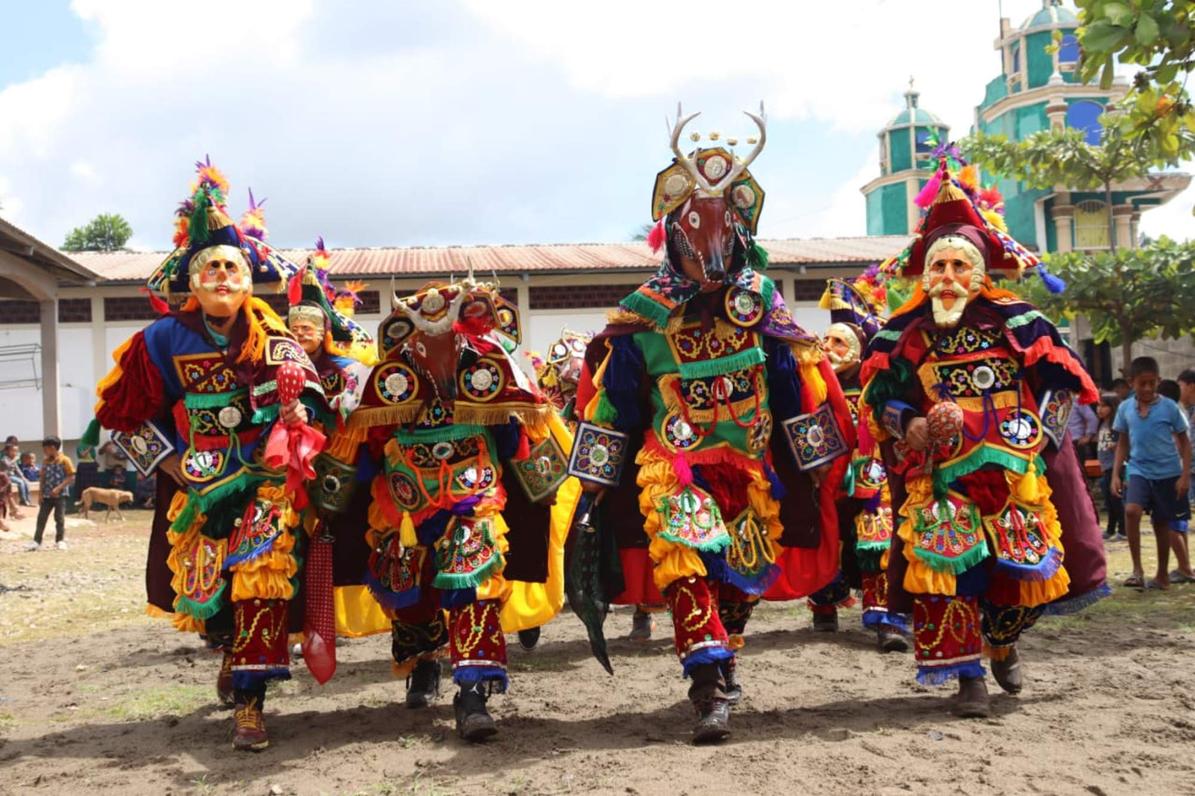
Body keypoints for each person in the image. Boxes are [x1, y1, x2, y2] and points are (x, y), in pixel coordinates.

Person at [574, 107, 853, 742]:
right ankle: (707, 686)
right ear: (673, 236)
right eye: (695, 230)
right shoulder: (644, 316)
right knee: (685, 564)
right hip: (672, 464)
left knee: (740, 577)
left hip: (749, 464)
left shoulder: (762, 307)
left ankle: (723, 658)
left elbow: (789, 390)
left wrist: (818, 468)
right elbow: (616, 402)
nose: (711, 247)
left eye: (722, 228)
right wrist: (591, 485)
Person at [89, 159, 327, 750]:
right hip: (197, 480)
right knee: (212, 588)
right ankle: (228, 652)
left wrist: (301, 414)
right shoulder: (162, 339)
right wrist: (164, 459)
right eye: (210, 266)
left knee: (261, 582)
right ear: (191, 281)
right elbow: (119, 412)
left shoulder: (271, 331)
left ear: (249, 279)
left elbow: (311, 392)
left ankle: (250, 702)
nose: (222, 274)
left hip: (264, 476)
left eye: (231, 266)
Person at [861, 158, 1107, 718]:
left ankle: (1004, 641)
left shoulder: (1020, 321)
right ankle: (966, 676)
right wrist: (911, 424)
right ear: (923, 273)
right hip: (942, 473)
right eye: (937, 265)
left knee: (1021, 568)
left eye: (958, 264)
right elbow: (880, 399)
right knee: (948, 570)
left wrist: (1039, 447)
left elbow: (1062, 386)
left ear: (978, 271)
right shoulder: (904, 333)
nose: (946, 275)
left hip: (1015, 469)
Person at [323, 275, 574, 741]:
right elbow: (371, 443)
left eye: (446, 331)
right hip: (405, 497)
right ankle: (423, 664)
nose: (434, 343)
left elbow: (512, 436)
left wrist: (522, 451)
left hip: (474, 491)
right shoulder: (391, 376)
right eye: (424, 334)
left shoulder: (489, 365)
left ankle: (473, 691)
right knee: (410, 589)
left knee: (474, 580)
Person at [808, 275, 909, 651]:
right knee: (824, 538)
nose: (828, 347)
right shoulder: (814, 388)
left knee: (875, 539)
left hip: (871, 476)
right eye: (826, 340)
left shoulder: (875, 387)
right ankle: (824, 608)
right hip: (825, 477)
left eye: (838, 342)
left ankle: (884, 617)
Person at [1111, 358, 1193, 588]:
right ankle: (1137, 570)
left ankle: (1162, 575)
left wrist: (1185, 475)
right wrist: (1116, 474)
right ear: (1131, 382)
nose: (1147, 388)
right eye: (1142, 383)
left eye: (1151, 383)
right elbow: (1123, 442)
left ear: (1158, 381)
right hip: (1138, 469)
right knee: (1131, 511)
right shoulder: (1125, 408)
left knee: (1162, 523)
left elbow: (1185, 443)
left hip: (1168, 473)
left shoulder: (1169, 407)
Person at [27, 436, 75, 551]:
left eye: (46, 448)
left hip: (60, 495)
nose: (44, 451)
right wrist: (40, 494)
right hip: (47, 495)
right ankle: (36, 541)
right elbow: (42, 478)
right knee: (41, 518)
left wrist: (59, 488)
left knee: (59, 518)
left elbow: (71, 477)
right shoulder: (45, 461)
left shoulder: (65, 460)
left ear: (53, 448)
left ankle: (60, 540)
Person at [1095, 393, 1125, 540]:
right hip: (1105, 466)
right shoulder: (1102, 424)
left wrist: (1116, 446)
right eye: (1098, 405)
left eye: (1103, 406)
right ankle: (1110, 529)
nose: (1099, 409)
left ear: (1112, 407)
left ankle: (1123, 530)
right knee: (1109, 500)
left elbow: (1123, 443)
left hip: (1115, 466)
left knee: (1116, 499)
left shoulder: (1115, 425)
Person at [1068, 395, 1099, 463]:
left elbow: (1092, 419)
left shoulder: (1076, 399)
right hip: (1060, 443)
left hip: (1076, 441)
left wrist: (1088, 436)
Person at [2, 442, 31, 509]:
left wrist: (23, 477)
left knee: (25, 482)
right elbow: (8, 465)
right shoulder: (4, 458)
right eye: (13, 451)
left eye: (16, 451)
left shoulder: (13, 460)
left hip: (13, 476)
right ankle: (23, 500)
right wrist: (14, 460)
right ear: (7, 451)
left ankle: (28, 500)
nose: (15, 452)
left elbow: (17, 470)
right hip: (7, 476)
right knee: (20, 482)